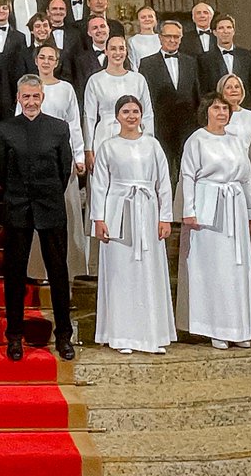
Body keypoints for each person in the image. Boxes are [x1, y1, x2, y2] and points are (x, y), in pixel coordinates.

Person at [0, 74, 76, 361]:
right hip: (17, 208)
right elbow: (1, 172)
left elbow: (65, 169)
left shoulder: (58, 128)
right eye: (26, 96)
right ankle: (14, 336)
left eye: (35, 96)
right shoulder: (5, 129)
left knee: (58, 273)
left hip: (50, 207)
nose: (30, 101)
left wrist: (48, 194)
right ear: (19, 98)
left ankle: (64, 336)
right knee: (14, 275)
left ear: (43, 97)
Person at [90, 95, 175, 354]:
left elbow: (163, 182)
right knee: (121, 273)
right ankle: (122, 334)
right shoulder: (108, 146)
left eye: (135, 111)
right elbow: (99, 184)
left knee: (149, 271)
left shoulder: (152, 145)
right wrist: (99, 218)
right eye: (125, 111)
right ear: (117, 116)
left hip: (148, 213)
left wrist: (165, 217)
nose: (130, 116)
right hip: (119, 213)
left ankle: (151, 333)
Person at [176, 94, 251, 349]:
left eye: (225, 108)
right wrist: (188, 210)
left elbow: (246, 178)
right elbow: (188, 175)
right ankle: (215, 327)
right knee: (213, 267)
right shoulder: (197, 139)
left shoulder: (236, 141)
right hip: (207, 209)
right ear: (207, 112)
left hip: (233, 206)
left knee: (236, 266)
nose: (221, 112)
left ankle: (239, 327)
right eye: (216, 108)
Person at [21, 44, 87, 279]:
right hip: (31, 160)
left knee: (62, 214)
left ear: (57, 62)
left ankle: (65, 268)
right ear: (36, 60)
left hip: (60, 159)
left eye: (51, 58)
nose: (47, 61)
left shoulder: (66, 89)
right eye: (42, 57)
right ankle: (38, 270)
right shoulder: (27, 85)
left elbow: (74, 123)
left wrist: (79, 155)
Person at [138, 20, 200, 174]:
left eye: (177, 37)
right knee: (162, 170)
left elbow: (196, 93)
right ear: (160, 37)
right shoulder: (147, 64)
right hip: (160, 125)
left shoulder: (191, 62)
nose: (173, 40)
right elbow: (145, 97)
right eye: (168, 36)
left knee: (187, 169)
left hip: (187, 126)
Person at [83, 36, 153, 171]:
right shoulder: (95, 80)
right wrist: (88, 149)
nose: (118, 53)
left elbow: (148, 114)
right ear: (106, 51)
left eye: (121, 48)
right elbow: (89, 117)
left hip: (134, 135)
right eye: (113, 49)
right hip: (105, 134)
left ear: (126, 52)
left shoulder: (138, 79)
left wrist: (149, 141)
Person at [198, 14, 251, 115]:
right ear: (214, 32)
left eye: (229, 27)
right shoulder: (204, 59)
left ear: (233, 31)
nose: (225, 31)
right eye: (221, 28)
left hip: (245, 112)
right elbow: (204, 91)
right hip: (218, 113)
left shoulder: (247, 56)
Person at [219, 73, 251, 145]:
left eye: (237, 87)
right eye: (229, 87)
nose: (234, 90)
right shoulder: (218, 116)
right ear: (221, 92)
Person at [127, 6, 160, 71]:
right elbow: (133, 64)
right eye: (143, 17)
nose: (147, 19)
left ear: (155, 19)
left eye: (150, 16)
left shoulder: (162, 38)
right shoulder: (132, 41)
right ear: (138, 21)